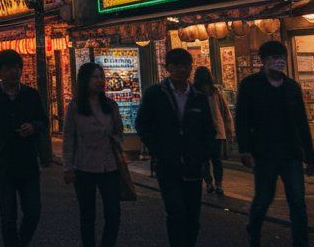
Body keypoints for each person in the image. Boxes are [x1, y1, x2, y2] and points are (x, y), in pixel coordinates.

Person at [235, 40, 314, 247]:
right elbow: (242, 119)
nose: (279, 62)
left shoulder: (291, 87)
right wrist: (244, 149)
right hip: (265, 153)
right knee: (263, 199)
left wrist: (309, 155)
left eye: (282, 57)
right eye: (274, 58)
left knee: (297, 201)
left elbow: (301, 122)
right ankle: (254, 230)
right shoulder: (250, 85)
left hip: (291, 153)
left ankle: (301, 242)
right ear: (264, 61)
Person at [135, 48, 215, 247]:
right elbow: (143, 124)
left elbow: (208, 128)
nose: (182, 69)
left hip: (193, 164)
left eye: (186, 65)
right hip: (167, 163)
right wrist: (157, 149)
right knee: (175, 211)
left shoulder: (197, 96)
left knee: (192, 214)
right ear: (168, 68)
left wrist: (202, 153)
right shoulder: (156, 94)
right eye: (177, 65)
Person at [0, 49, 46, 247]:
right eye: (8, 69)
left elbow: (43, 121)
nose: (13, 72)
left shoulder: (31, 95)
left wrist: (33, 126)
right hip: (1, 162)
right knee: (8, 217)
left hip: (27, 162)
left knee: (33, 211)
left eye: (16, 68)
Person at [64, 62, 125, 247]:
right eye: (95, 77)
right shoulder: (75, 107)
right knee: (87, 214)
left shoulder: (110, 105)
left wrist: (116, 140)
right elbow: (69, 138)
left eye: (101, 77)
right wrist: (67, 167)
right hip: (84, 167)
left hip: (109, 166)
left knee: (113, 213)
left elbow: (119, 131)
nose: (100, 81)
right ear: (85, 81)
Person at [194, 66, 233, 196]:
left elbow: (224, 111)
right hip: (216, 130)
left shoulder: (198, 92)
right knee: (216, 159)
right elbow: (225, 111)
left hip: (206, 131)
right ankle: (218, 184)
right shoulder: (214, 92)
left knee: (205, 159)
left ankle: (210, 183)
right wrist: (229, 129)